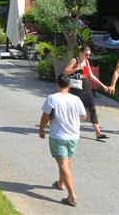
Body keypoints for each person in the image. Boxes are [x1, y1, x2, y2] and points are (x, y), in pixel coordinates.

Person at [39, 74, 87, 208]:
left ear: (57, 83)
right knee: (66, 162)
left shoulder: (52, 98)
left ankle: (71, 195)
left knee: (63, 164)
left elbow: (45, 116)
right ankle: (60, 183)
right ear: (69, 85)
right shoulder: (76, 99)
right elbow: (83, 116)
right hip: (74, 137)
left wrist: (41, 129)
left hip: (58, 136)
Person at [63, 45, 112, 141]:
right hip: (76, 89)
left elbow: (90, 75)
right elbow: (65, 71)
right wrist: (77, 68)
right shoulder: (75, 60)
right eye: (86, 54)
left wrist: (103, 86)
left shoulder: (86, 61)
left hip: (85, 88)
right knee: (75, 111)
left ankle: (98, 133)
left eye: (89, 54)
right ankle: (74, 130)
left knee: (92, 109)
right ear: (81, 53)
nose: (88, 56)